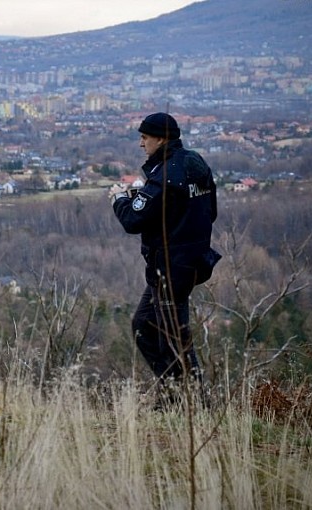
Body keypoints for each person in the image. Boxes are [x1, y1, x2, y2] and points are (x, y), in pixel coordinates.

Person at [109, 112, 219, 407]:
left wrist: (119, 199)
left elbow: (133, 220)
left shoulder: (164, 174)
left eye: (145, 138)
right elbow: (211, 210)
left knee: (174, 336)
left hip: (172, 267)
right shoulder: (195, 164)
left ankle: (195, 404)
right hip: (190, 261)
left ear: (161, 138)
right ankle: (173, 394)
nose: (141, 144)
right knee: (145, 326)